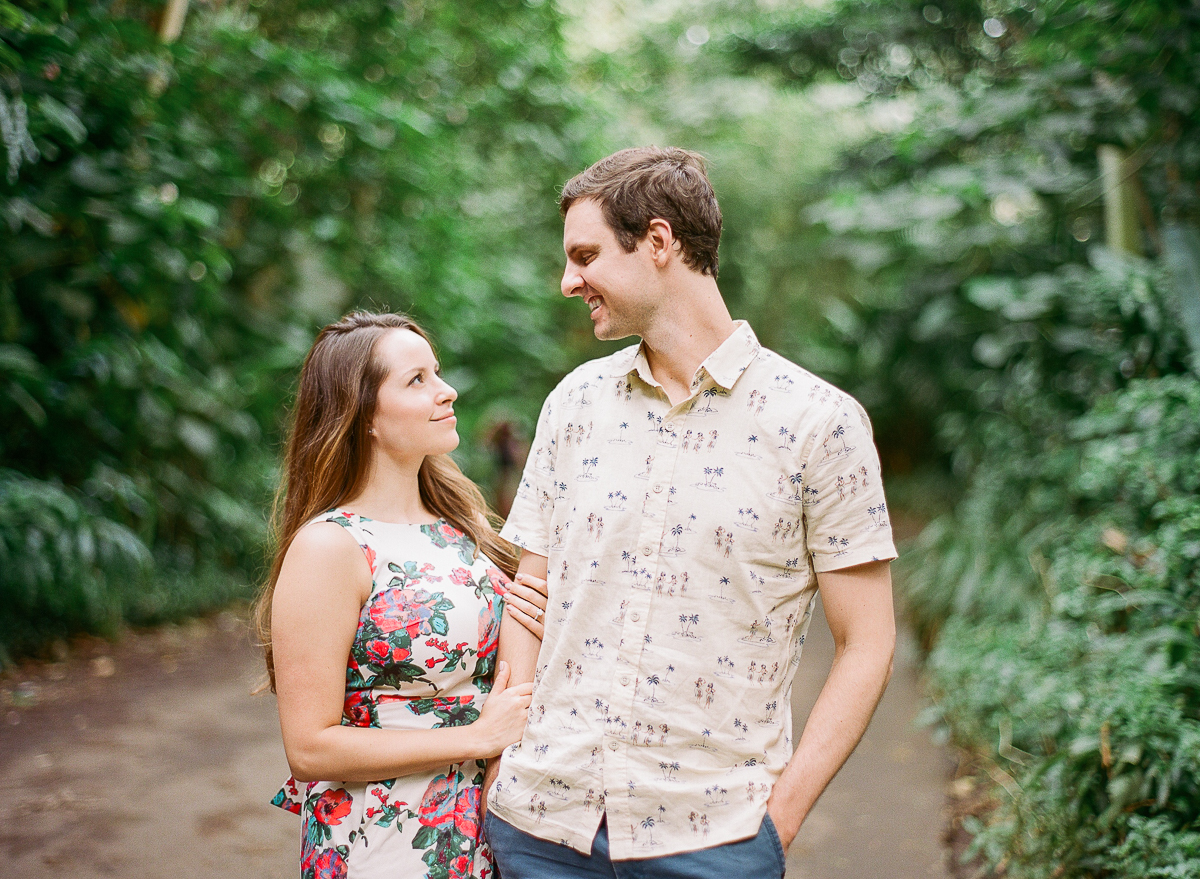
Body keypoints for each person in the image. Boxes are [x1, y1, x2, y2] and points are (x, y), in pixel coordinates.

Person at [483, 147, 899, 878]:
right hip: (540, 827)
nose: (567, 280)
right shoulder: (572, 405)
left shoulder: (819, 423)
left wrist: (779, 820)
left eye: (585, 255)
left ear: (659, 241)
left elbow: (866, 641)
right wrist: (500, 769)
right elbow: (530, 599)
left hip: (715, 839)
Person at [254, 311, 549, 878]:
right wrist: (477, 736)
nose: (447, 391)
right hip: (380, 843)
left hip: (476, 833)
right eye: (418, 381)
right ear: (362, 414)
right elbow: (310, 748)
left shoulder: (459, 529)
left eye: (437, 373)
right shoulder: (330, 546)